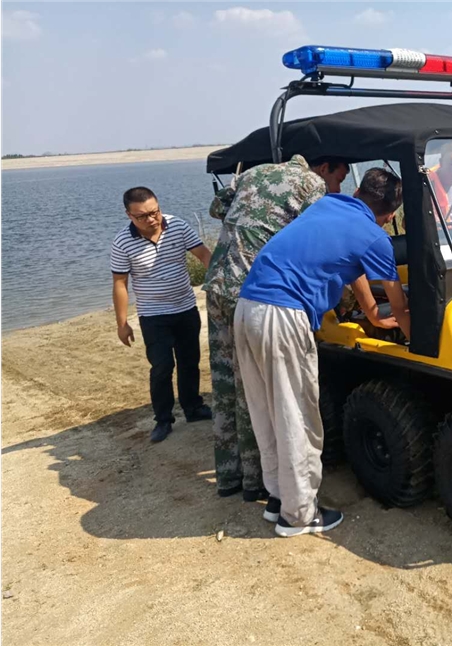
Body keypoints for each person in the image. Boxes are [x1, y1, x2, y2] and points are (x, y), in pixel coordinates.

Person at [235, 168, 408, 538]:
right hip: (283, 314)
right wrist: (415, 340)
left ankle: (279, 498)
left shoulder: (329, 204)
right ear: (391, 215)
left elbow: (349, 267)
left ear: (358, 190)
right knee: (297, 413)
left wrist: (372, 312)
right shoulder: (375, 237)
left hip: (248, 306)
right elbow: (402, 308)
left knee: (267, 407)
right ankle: (299, 516)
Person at [204, 155, 348, 501]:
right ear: (323, 167)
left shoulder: (252, 173)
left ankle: (228, 477)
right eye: (338, 178)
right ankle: (256, 483)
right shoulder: (310, 185)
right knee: (255, 388)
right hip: (253, 291)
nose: (337, 187)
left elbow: (216, 208)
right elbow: (321, 237)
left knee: (224, 384)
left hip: (217, 282)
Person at [111, 187, 213, 443]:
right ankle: (163, 419)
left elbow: (204, 255)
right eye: (142, 216)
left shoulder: (177, 226)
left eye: (154, 212)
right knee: (162, 367)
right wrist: (122, 323)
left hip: (186, 308)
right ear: (129, 215)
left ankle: (193, 407)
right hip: (153, 315)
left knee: (190, 361)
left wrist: (218, 283)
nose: (151, 219)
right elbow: (120, 284)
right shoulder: (122, 242)